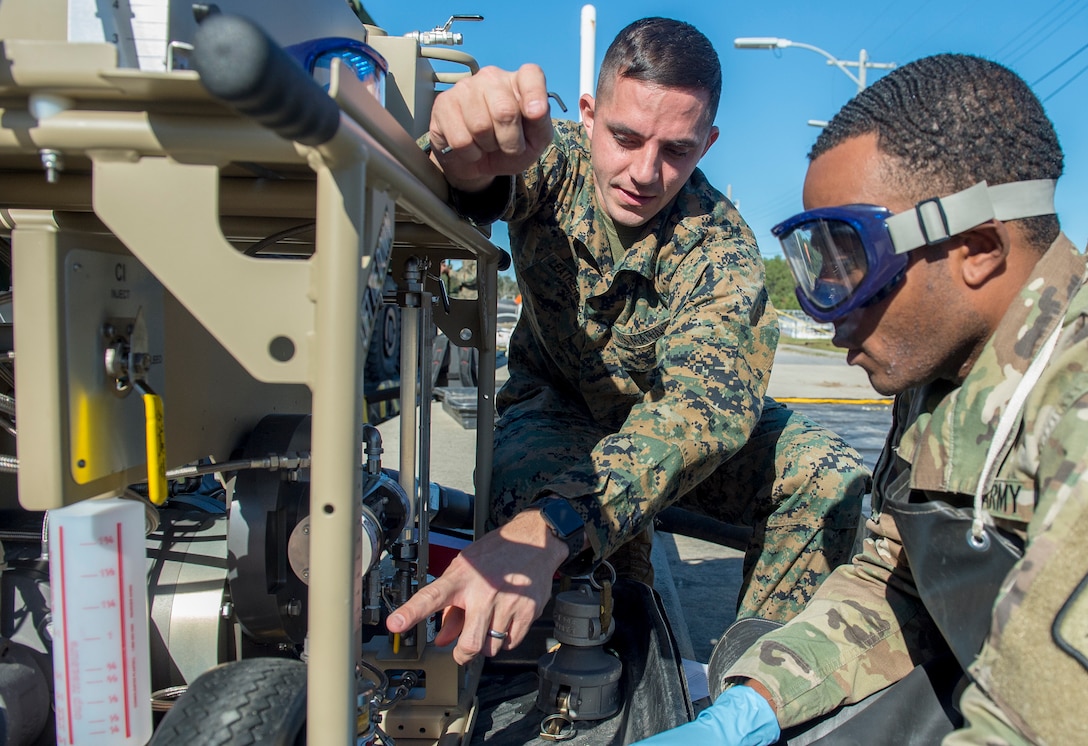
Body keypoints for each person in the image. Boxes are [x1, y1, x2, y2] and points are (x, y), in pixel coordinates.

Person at [388, 17, 868, 667]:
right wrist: (461, 151)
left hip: (666, 424)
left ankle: (763, 683)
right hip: (558, 408)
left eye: (677, 149)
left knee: (827, 478)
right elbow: (480, 180)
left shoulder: (720, 247)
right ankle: (585, 626)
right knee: (537, 516)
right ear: (588, 114)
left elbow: (701, 413)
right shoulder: (552, 162)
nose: (645, 171)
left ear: (709, 143)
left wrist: (559, 523)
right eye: (625, 137)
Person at [638, 53, 1085, 745]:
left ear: (975, 248)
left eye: (852, 260)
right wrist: (755, 700)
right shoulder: (942, 374)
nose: (829, 312)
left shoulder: (1072, 411)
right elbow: (897, 577)